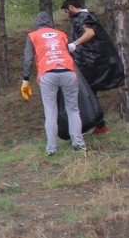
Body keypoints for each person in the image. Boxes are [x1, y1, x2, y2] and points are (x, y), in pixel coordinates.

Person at [22, 11, 87, 156]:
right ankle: (79, 144)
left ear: (37, 23)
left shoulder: (33, 35)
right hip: (68, 71)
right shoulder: (61, 34)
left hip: (47, 72)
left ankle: (52, 148)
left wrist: (25, 79)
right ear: (51, 23)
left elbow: (28, 59)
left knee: (50, 111)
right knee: (73, 109)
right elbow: (69, 50)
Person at [61, 0, 124, 134]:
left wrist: (74, 44)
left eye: (66, 11)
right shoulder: (85, 16)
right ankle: (98, 125)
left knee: (88, 93)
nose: (66, 15)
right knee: (90, 93)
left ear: (71, 7)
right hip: (90, 60)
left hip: (91, 61)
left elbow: (90, 33)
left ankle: (97, 125)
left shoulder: (84, 16)